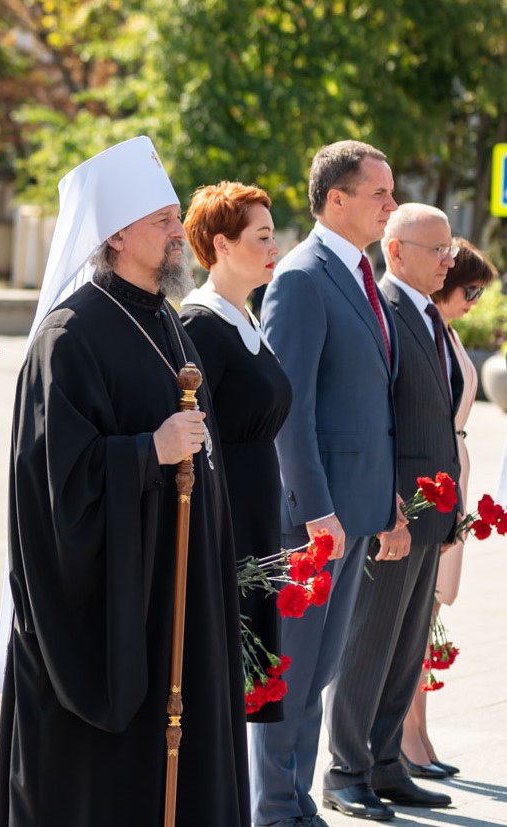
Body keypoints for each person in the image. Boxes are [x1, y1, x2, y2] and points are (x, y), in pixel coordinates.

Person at [0, 136, 248, 826]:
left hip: (183, 588)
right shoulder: (69, 337)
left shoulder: (167, 319)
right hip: (119, 617)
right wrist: (147, 452)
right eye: (164, 221)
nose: (177, 232)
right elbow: (57, 492)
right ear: (116, 235)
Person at [255, 139, 402, 827]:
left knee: (317, 676)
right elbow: (291, 410)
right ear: (335, 199)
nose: (390, 205)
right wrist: (317, 510)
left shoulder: (361, 274)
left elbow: (366, 400)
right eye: (379, 193)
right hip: (313, 523)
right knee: (291, 674)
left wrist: (384, 494)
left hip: (355, 514)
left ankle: (295, 801)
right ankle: (273, 808)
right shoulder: (302, 277)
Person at [322, 203, 461, 818]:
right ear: (398, 251)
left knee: (405, 650)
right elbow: (375, 417)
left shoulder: (429, 315)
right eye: (438, 250)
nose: (449, 261)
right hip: (395, 514)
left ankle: (384, 763)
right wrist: (391, 509)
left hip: (432, 514)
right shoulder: (384, 308)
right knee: (368, 646)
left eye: (451, 249)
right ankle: (346, 770)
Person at [179, 182, 291, 722]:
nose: (275, 249)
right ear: (221, 246)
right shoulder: (201, 323)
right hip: (224, 515)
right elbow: (198, 439)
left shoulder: (246, 318)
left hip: (256, 511)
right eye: (263, 236)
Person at [400, 237, 497, 777]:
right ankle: (409, 737)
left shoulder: (447, 333)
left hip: (451, 469)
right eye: (471, 289)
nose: (475, 301)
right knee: (419, 612)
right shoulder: (426, 331)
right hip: (433, 478)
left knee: (433, 609)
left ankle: (419, 732)